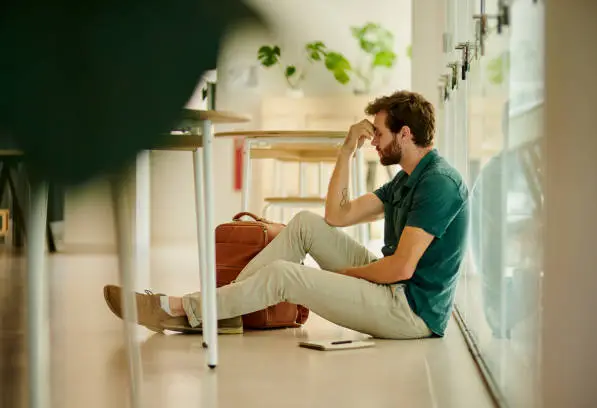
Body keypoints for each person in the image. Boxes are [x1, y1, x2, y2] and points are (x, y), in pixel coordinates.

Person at [104, 90, 469, 339]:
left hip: (410, 309)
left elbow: (400, 269)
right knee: (306, 224)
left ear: (405, 134)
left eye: (379, 134)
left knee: (285, 275)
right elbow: (337, 215)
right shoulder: (406, 179)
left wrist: (346, 276)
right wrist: (346, 151)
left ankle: (182, 308)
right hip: (392, 286)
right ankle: (221, 310)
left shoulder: (438, 183)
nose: (373, 141)